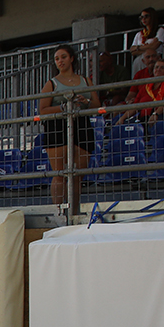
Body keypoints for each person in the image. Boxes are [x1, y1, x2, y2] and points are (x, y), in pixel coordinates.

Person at [39, 44, 99, 206]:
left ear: (72, 58)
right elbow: (42, 109)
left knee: (77, 175)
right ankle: (58, 209)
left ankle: (74, 209)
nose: (60, 61)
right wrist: (63, 107)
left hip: (82, 125)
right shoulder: (51, 83)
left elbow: (97, 105)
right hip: (57, 127)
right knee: (59, 174)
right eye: (57, 59)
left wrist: (85, 102)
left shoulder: (86, 80)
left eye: (63, 57)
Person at [119, 59, 164, 124]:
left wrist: (155, 114)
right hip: (143, 118)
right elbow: (135, 106)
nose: (158, 69)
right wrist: (122, 118)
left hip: (162, 117)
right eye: (156, 67)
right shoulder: (146, 86)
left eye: (162, 67)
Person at [129, 7, 164, 76]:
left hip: (153, 60)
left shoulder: (159, 30)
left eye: (146, 16)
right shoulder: (139, 34)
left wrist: (138, 48)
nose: (143, 19)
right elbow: (132, 51)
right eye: (141, 17)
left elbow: (155, 46)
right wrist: (148, 47)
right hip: (140, 60)